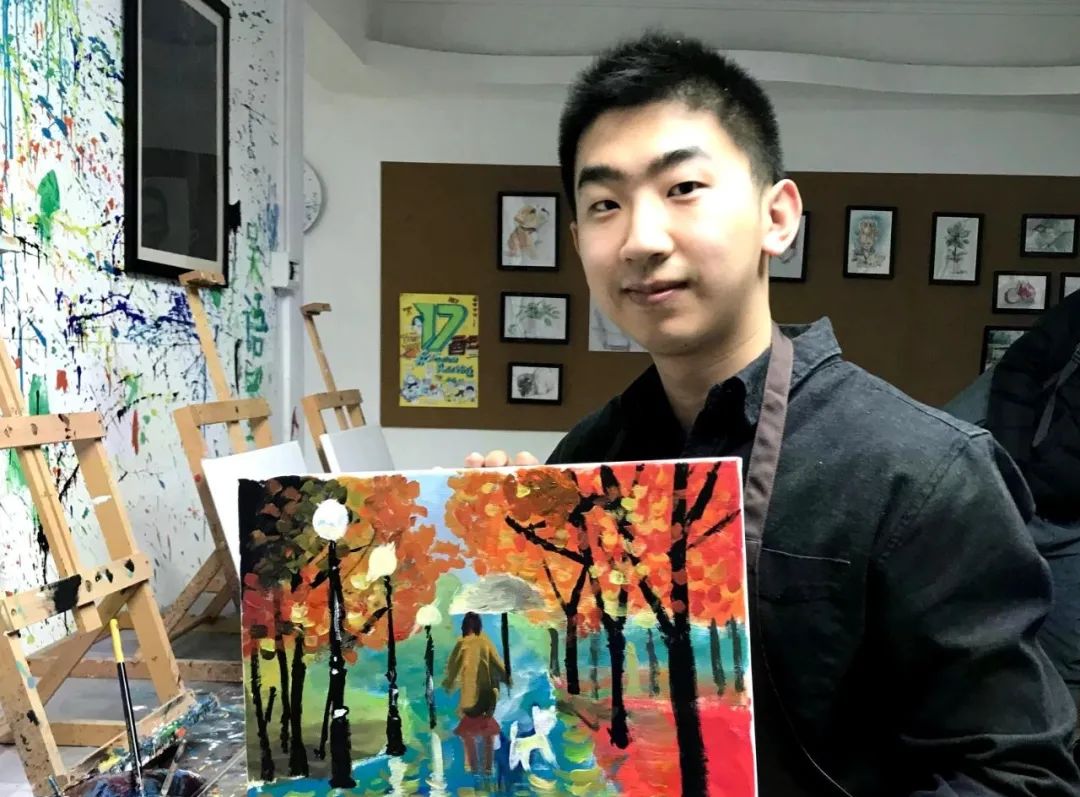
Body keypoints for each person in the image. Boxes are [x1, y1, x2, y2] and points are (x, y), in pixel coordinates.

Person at [466, 31, 1080, 796]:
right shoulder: (587, 462)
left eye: (683, 188)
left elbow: (1021, 777)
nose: (641, 239)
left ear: (777, 216)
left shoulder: (923, 473)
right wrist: (503, 563)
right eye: (604, 205)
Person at [442, 612, 509, 775]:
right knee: (488, 732)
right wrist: (507, 678)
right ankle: (487, 768)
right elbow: (498, 664)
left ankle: (472, 768)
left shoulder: (462, 643)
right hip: (487, 700)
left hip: (470, 702)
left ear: (465, 626)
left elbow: (452, 667)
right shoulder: (486, 641)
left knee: (468, 734)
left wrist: (448, 684)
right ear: (479, 625)